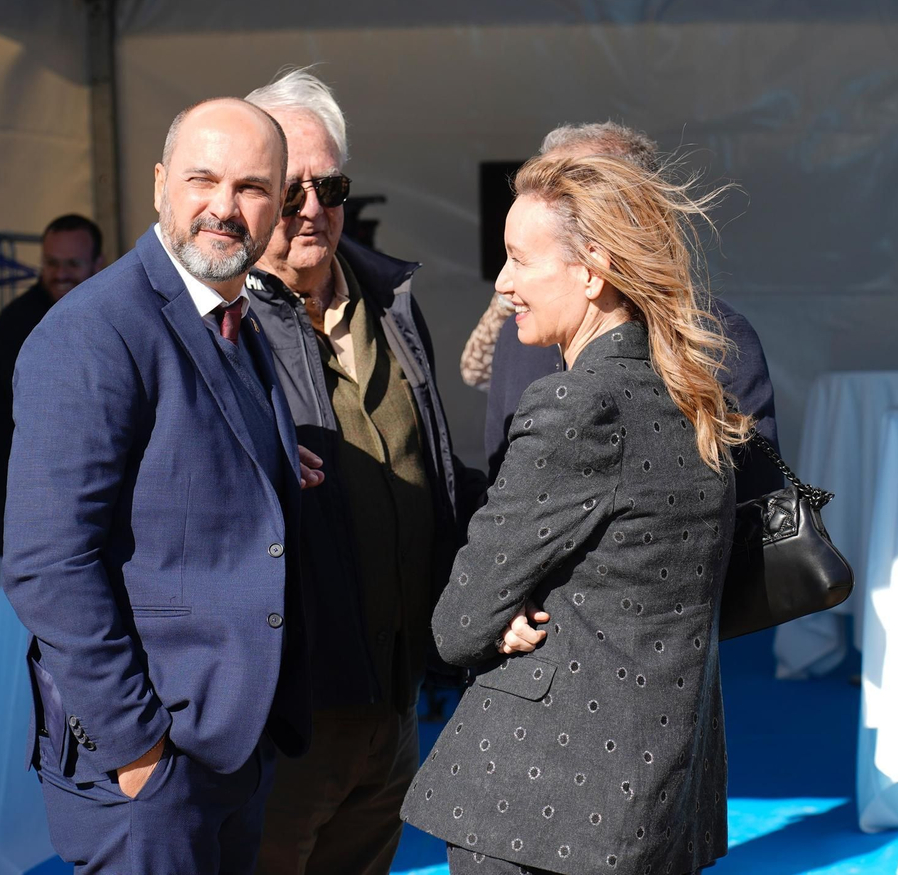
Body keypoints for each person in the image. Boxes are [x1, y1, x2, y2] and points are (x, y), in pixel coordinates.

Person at [2, 98, 325, 875]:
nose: (224, 205)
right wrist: (136, 744)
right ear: (159, 186)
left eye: (251, 186)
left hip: (229, 742)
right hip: (151, 765)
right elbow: (48, 563)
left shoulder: (235, 318)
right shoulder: (94, 331)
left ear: (280, 203)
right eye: (202, 179)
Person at [402, 151, 745, 875]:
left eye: (519, 260)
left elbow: (458, 625)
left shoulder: (576, 404)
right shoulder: (693, 395)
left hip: (542, 804)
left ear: (590, 273)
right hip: (659, 793)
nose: (502, 284)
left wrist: (504, 609)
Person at [241, 69, 477, 875]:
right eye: (286, 186)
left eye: (329, 184)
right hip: (287, 717)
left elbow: (429, 470)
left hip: (395, 700)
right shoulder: (217, 329)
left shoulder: (390, 302)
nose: (311, 206)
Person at [482, 122, 781, 504]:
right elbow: (500, 489)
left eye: (578, 190)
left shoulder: (714, 336)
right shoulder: (518, 336)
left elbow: (754, 499)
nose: (553, 204)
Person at [0, 214, 105, 554]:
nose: (60, 274)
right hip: (17, 498)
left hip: (84, 497)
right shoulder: (20, 322)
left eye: (72, 264)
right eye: (52, 263)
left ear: (99, 264)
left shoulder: (113, 313)